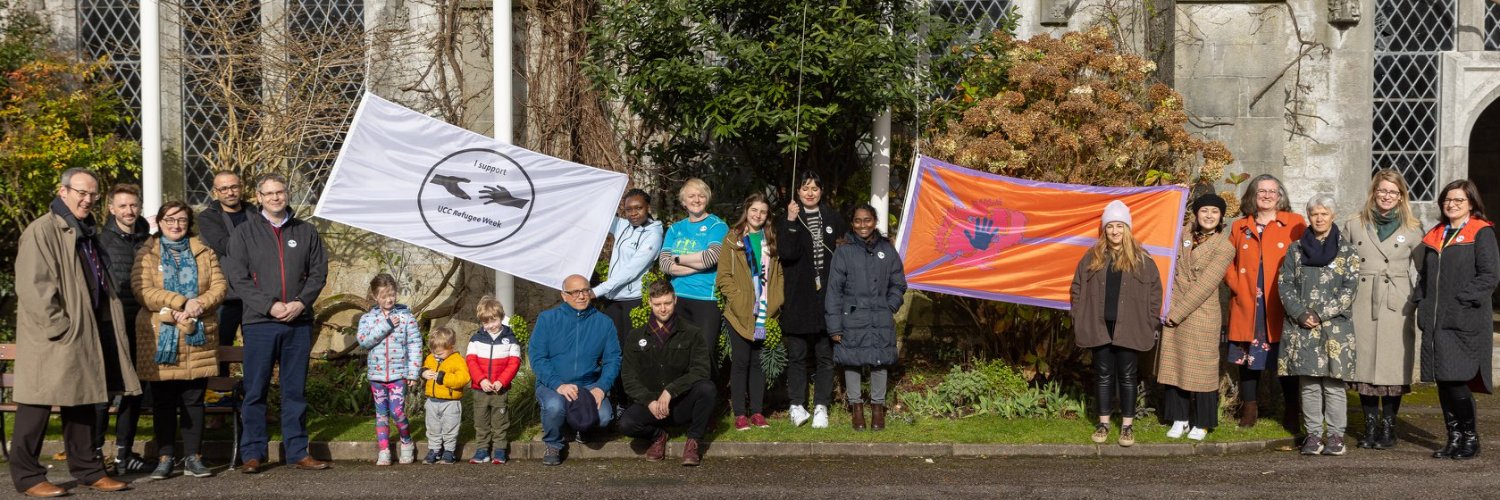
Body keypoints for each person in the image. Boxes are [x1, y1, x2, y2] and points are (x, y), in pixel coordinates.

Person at [11, 168, 137, 496]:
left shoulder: (84, 230)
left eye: (93, 194)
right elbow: (34, 286)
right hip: (56, 335)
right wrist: (59, 327)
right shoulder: (42, 230)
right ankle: (27, 478)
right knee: (35, 405)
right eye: (81, 192)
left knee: (82, 401)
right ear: (63, 191)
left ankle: (89, 471)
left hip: (87, 329)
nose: (87, 199)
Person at [221, 172, 330, 473]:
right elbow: (237, 278)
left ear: (287, 194)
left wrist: (299, 303)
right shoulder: (244, 233)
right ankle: (253, 453)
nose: (275, 198)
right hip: (259, 323)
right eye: (268, 193)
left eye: (279, 192)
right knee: (255, 390)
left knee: (294, 390)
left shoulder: (306, 231)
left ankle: (297, 451)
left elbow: (319, 273)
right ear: (258, 197)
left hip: (298, 322)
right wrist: (269, 306)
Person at [130, 201, 227, 478]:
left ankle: (194, 457)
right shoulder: (147, 253)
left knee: (194, 400)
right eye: (170, 219)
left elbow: (219, 286)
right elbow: (141, 289)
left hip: (197, 333)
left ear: (189, 222)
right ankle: (165, 456)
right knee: (163, 401)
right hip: (161, 334)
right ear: (159, 223)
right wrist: (179, 301)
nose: (176, 225)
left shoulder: (204, 251)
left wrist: (199, 304)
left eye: (181, 220)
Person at [1416, 179, 1500, 460]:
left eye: (1458, 200)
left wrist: (1462, 300)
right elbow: (1425, 277)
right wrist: (1421, 303)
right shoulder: (1436, 234)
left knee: (1456, 380)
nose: (1451, 204)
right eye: (1447, 200)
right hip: (1437, 322)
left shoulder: (1481, 232)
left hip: (1465, 320)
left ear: (1471, 204)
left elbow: (1489, 275)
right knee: (1443, 380)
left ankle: (1470, 438)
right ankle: (1453, 438)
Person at [1069, 200, 1162, 447]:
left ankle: (1128, 426)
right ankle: (1103, 423)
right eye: (1110, 226)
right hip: (1100, 326)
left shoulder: (1142, 259)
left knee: (1128, 376)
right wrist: (1079, 316)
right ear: (1104, 229)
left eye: (1120, 226)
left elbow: (1155, 293)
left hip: (1129, 327)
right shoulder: (1092, 257)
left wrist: (1150, 321)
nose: (1115, 231)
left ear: (1127, 228)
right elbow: (1077, 288)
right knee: (1102, 375)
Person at [1343, 169, 1423, 449]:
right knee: (1364, 365)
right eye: (1382, 191)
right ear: (1373, 193)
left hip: (1397, 301)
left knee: (1392, 366)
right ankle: (1369, 426)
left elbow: (1424, 269)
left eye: (1393, 192)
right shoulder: (1355, 224)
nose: (1387, 196)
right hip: (1362, 299)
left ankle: (1388, 428)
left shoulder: (1414, 228)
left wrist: (1418, 300)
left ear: (1401, 196)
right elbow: (1341, 265)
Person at [1277, 195, 1359, 456]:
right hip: (1303, 327)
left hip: (1335, 328)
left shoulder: (1347, 252)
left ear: (1333, 216)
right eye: (1314, 214)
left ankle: (1335, 435)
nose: (1320, 218)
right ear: (1309, 217)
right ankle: (1313, 435)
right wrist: (1300, 313)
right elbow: (1284, 284)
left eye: (1324, 213)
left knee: (1334, 384)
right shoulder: (1295, 250)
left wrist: (1320, 313)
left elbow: (1349, 290)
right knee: (1309, 384)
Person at [1225, 174, 1306, 429]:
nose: (1268, 195)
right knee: (1248, 359)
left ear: (1280, 196)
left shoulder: (1294, 223)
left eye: (1273, 191)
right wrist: (1237, 285)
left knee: (1286, 358)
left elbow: (1307, 257)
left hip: (1280, 303)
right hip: (1248, 302)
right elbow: (1227, 261)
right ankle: (1250, 409)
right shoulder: (1239, 227)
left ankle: (1292, 411)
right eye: (1262, 191)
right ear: (1252, 195)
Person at [1157, 194, 1235, 441]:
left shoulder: (1224, 246)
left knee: (1201, 371)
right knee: (1175, 367)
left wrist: (1176, 314)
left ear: (1221, 216)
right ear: (1196, 213)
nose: (1209, 215)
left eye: (1214, 211)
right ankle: (1179, 418)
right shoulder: (1182, 235)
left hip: (1200, 313)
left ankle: (1201, 422)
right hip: (1174, 309)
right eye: (1204, 211)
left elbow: (1205, 285)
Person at [826, 204, 906, 432]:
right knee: (852, 360)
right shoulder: (843, 251)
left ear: (875, 221)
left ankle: (878, 408)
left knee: (879, 360)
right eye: (858, 220)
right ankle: (857, 408)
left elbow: (898, 282)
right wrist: (835, 326)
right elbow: (834, 291)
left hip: (880, 315)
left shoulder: (887, 250)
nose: (863, 225)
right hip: (851, 316)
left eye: (868, 220)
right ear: (852, 223)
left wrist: (890, 305)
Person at [618, 281, 715, 466]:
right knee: (626, 424)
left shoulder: (692, 333)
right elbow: (628, 378)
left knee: (707, 388)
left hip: (680, 404)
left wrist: (671, 391)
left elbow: (701, 370)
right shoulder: (635, 336)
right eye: (657, 304)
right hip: (652, 407)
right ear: (649, 303)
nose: (663, 309)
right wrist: (649, 400)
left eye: (667, 303)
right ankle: (658, 436)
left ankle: (693, 441)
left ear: (675, 300)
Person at [777, 171, 847, 428]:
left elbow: (842, 252)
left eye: (815, 188)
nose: (810, 193)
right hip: (798, 297)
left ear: (822, 191)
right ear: (798, 192)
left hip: (826, 297)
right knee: (796, 354)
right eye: (805, 188)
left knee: (824, 354)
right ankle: (796, 404)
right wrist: (792, 221)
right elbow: (787, 253)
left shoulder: (832, 217)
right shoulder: (789, 218)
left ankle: (821, 406)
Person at [530, 274, 622, 466]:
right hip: (553, 384)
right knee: (555, 407)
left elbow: (613, 360)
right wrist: (558, 385)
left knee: (604, 417)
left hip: (589, 385)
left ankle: (582, 428)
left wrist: (601, 387)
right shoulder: (547, 319)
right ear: (564, 295)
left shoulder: (604, 323)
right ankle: (554, 443)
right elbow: (538, 358)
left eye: (585, 290)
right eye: (575, 292)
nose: (581, 296)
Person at [96, 183, 153, 473]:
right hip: (110, 327)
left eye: (133, 205)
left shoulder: (149, 241)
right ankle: (94, 453)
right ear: (111, 208)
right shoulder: (100, 241)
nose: (129, 211)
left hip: (141, 326)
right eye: (122, 206)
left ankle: (123, 452)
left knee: (135, 393)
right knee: (104, 394)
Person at [717, 193, 784, 431]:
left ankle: (757, 411)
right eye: (754, 210)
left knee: (758, 364)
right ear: (747, 210)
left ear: (767, 216)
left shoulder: (770, 238)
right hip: (739, 312)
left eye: (763, 212)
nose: (758, 215)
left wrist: (776, 299)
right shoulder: (732, 239)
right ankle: (740, 413)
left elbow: (778, 274)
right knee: (741, 363)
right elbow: (723, 275)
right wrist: (739, 299)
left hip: (765, 311)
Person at [594, 189, 663, 409]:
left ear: (648, 208)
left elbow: (632, 271)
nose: (633, 213)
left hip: (633, 301)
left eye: (638, 208)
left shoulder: (654, 233)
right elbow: (596, 214)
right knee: (612, 352)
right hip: (613, 301)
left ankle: (633, 402)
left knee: (632, 354)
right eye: (629, 209)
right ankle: (616, 400)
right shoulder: (622, 225)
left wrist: (598, 289)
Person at [658, 179, 729, 371]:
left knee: (703, 353)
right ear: (683, 201)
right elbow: (664, 264)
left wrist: (679, 259)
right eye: (691, 196)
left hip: (706, 298)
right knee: (679, 353)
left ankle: (707, 398)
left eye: (701, 195)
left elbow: (711, 258)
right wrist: (698, 262)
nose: (696, 199)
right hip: (678, 298)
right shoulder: (675, 228)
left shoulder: (717, 226)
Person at [354, 273, 422, 466]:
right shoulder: (368, 318)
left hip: (398, 375)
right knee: (381, 414)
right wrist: (387, 325)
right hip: (377, 376)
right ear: (376, 297)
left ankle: (406, 442)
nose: (389, 299)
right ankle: (384, 450)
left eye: (392, 294)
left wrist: (413, 373)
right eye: (384, 296)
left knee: (398, 412)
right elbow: (364, 341)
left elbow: (415, 344)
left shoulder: (406, 317)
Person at [196, 171, 255, 385]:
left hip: (255, 294)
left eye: (234, 187)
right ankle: (219, 402)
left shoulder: (255, 213)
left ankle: (252, 400)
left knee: (256, 350)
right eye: (224, 188)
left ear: (241, 187)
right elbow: (225, 245)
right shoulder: (208, 217)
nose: (230, 192)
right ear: (216, 192)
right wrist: (257, 244)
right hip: (225, 295)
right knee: (220, 348)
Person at [464, 295, 521, 465]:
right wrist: (481, 379)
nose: (491, 325)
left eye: (494, 320)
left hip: (499, 389)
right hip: (479, 388)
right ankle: (482, 450)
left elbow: (514, 362)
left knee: (500, 421)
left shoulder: (510, 338)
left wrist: (502, 381)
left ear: (501, 317)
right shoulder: (476, 339)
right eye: (486, 322)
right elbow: (471, 361)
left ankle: (499, 450)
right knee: (480, 421)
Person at [419, 327, 470, 465]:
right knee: (433, 427)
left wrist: (443, 378)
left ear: (451, 347)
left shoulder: (457, 360)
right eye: (434, 352)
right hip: (432, 400)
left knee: (450, 427)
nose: (436, 355)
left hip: (450, 402)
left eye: (440, 353)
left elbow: (463, 378)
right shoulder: (431, 358)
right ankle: (434, 450)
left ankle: (449, 451)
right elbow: (425, 366)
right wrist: (423, 373)